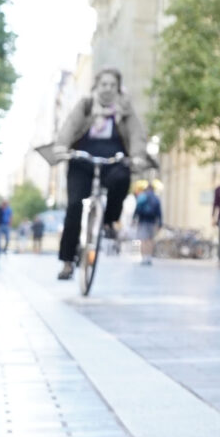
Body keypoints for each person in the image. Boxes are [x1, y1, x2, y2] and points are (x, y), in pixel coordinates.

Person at [48, 68, 149, 282]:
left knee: (122, 177)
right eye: (104, 84)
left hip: (113, 159)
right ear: (97, 85)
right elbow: (69, 127)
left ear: (118, 88)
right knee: (74, 206)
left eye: (112, 85)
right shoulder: (85, 105)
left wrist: (138, 155)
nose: (108, 89)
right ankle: (67, 262)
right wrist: (61, 147)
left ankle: (109, 220)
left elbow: (136, 134)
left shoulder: (125, 109)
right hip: (81, 159)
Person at [131, 180, 165, 265]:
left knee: (143, 240)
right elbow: (159, 212)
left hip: (143, 220)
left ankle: (143, 258)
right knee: (150, 240)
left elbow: (137, 208)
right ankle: (149, 257)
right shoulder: (156, 198)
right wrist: (160, 223)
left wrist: (134, 219)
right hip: (152, 221)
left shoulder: (143, 196)